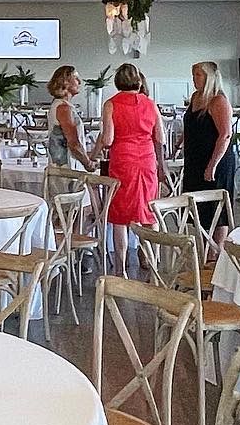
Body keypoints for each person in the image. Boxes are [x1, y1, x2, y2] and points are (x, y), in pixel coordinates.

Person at [94, 63, 165, 274]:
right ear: (139, 81)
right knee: (148, 210)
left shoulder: (111, 104)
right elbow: (160, 138)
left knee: (120, 215)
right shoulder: (151, 104)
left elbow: (107, 140)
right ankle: (153, 260)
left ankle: (120, 267)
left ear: (117, 82)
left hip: (123, 161)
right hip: (146, 161)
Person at [183, 60, 236, 250]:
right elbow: (192, 125)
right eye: (194, 74)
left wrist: (212, 164)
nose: (194, 79)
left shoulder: (218, 100)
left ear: (209, 77)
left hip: (216, 159)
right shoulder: (196, 97)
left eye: (198, 75)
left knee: (216, 208)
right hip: (195, 159)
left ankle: (217, 250)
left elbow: (225, 134)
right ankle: (204, 247)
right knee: (197, 206)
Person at [47, 66, 95, 170]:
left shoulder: (60, 105)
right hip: (67, 168)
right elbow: (73, 144)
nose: (79, 82)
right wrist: (88, 164)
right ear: (65, 82)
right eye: (76, 78)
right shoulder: (63, 108)